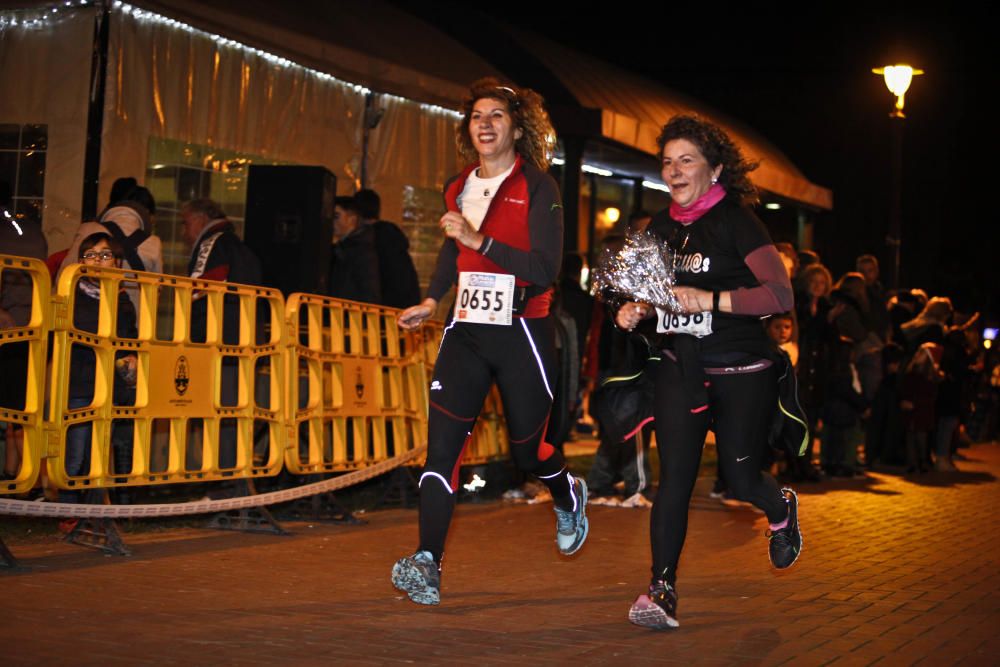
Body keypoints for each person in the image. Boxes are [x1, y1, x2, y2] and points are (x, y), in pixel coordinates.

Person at [391, 78, 587, 606]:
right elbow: (451, 253)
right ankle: (428, 562)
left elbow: (545, 270)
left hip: (523, 329)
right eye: (477, 115)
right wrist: (432, 302)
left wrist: (481, 239)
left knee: (529, 451)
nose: (485, 123)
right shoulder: (458, 186)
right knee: (442, 452)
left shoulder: (540, 187)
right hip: (467, 332)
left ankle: (565, 490)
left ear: (516, 128)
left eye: (497, 115)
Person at [613, 115, 800, 629]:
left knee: (739, 477)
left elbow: (780, 296)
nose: (674, 170)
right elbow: (655, 296)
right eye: (667, 162)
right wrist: (635, 310)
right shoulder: (658, 227)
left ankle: (780, 508)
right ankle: (661, 590)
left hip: (742, 365)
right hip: (682, 366)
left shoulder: (738, 221)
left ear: (714, 169)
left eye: (686, 160)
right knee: (674, 481)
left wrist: (712, 298)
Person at [181, 198, 261, 475]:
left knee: (219, 414)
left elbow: (197, 290)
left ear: (202, 218)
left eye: (186, 222)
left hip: (219, 343)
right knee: (235, 415)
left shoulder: (211, 243)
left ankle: (224, 482)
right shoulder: (239, 246)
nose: (183, 231)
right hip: (244, 342)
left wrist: (192, 337)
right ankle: (234, 479)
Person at [61, 232, 138, 502]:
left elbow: (129, 344)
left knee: (99, 453)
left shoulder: (124, 301)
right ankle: (68, 510)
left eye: (105, 255)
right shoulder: (71, 295)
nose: (97, 260)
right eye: (90, 254)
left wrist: (130, 383)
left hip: (111, 387)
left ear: (117, 262)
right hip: (80, 384)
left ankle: (93, 510)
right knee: (76, 453)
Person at [355, 189, 420, 309]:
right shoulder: (392, 235)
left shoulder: (366, 240)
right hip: (405, 305)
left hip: (383, 310)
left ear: (355, 213)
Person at [327, 195, 381, 304]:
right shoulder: (344, 248)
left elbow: (369, 291)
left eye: (336, 216)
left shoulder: (361, 250)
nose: (331, 222)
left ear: (352, 218)